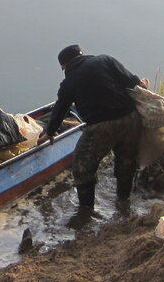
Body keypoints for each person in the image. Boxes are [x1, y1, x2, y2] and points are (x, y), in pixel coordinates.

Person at [38, 44, 147, 210]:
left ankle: (86, 211)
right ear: (83, 55)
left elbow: (60, 109)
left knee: (82, 167)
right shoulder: (105, 59)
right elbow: (133, 82)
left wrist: (50, 132)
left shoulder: (69, 82)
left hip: (101, 126)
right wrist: (143, 85)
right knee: (126, 162)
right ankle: (123, 202)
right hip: (130, 119)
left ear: (63, 66)